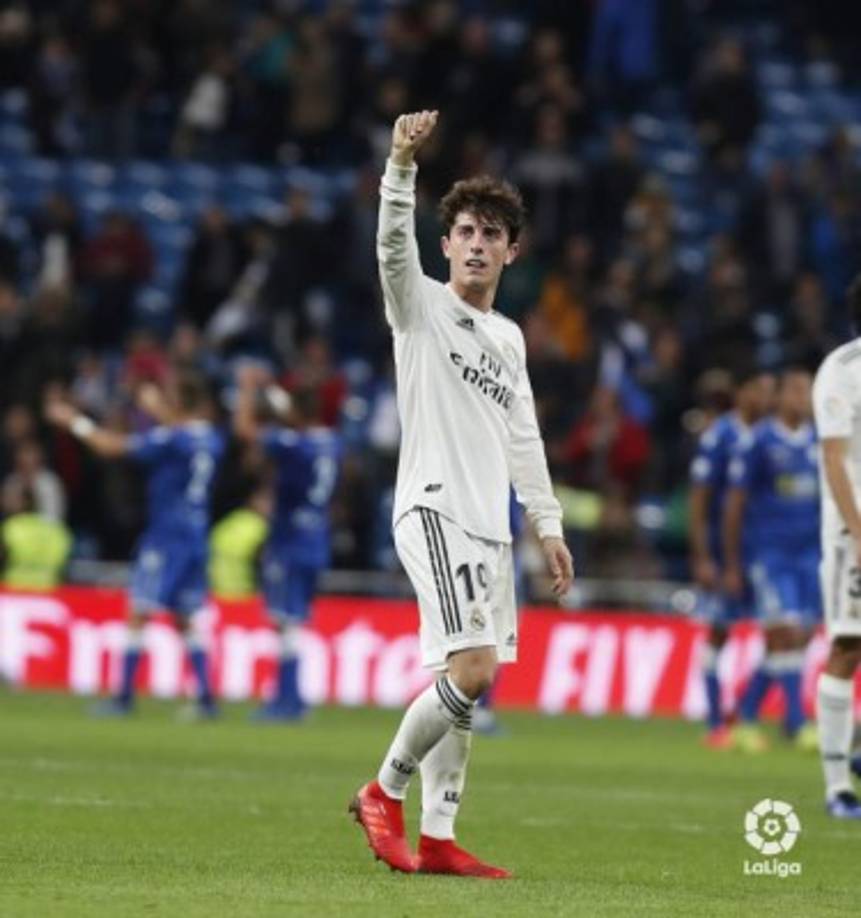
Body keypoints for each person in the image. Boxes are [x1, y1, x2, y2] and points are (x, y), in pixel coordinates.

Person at [348, 110, 573, 879]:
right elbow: (387, 248)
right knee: (471, 668)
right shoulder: (418, 308)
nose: (476, 245)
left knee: (470, 681)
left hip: (487, 524)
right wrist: (401, 167)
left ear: (512, 250)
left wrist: (547, 524)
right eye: (465, 232)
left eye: (491, 235)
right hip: (434, 505)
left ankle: (440, 838)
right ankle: (384, 791)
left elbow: (522, 438)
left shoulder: (508, 339)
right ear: (445, 245)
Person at [45, 373, 225, 718]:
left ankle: (123, 697)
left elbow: (110, 447)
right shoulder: (210, 438)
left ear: (177, 403)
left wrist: (75, 422)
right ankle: (205, 700)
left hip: (167, 534)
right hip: (196, 533)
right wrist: (163, 410)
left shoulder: (171, 439)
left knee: (138, 610)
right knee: (185, 616)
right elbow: (181, 428)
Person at [234, 366, 342, 721]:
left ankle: (288, 700)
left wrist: (248, 388)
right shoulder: (330, 441)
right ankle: (289, 698)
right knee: (294, 619)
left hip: (290, 540)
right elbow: (294, 421)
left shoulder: (294, 444)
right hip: (316, 538)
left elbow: (245, 430)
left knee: (285, 620)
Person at [724, 368, 820, 752]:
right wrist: (733, 562)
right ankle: (796, 722)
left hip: (810, 553)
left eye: (808, 390)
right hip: (770, 552)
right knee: (782, 632)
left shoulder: (819, 440)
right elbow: (735, 504)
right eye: (797, 390)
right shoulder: (759, 442)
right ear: (779, 397)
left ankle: (745, 712)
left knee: (801, 635)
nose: (805, 397)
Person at [688, 367, 774, 748]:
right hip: (724, 556)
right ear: (742, 392)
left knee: (784, 635)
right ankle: (715, 722)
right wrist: (704, 557)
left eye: (771, 392)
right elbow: (699, 500)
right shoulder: (719, 435)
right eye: (759, 389)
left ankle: (744, 711)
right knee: (718, 633)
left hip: (765, 551)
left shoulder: (770, 436)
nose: (766, 399)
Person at [812, 274, 861, 818]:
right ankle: (837, 786)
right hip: (853, 533)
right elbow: (834, 459)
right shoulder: (842, 373)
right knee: (848, 647)